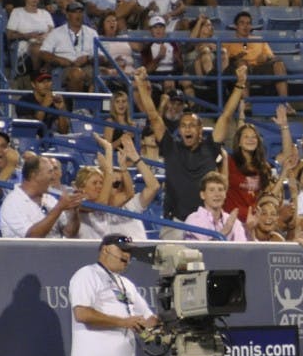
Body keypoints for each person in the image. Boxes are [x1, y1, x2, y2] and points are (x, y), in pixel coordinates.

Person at [132, 65, 238, 235]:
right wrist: (140, 84)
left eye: (192, 126)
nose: (187, 129)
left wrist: (239, 85)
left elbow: (226, 115)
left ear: (200, 130)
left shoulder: (211, 148)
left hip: (206, 223)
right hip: (176, 223)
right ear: (179, 130)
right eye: (183, 126)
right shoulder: (171, 147)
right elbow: (153, 115)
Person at [78, 135, 161, 241]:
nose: (99, 186)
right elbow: (101, 204)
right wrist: (107, 165)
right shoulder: (83, 202)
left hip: (136, 251)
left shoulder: (129, 205)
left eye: (119, 184)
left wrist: (135, 159)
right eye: (111, 183)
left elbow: (152, 187)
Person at [0, 154, 83, 238]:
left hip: (57, 250)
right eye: (50, 172)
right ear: (34, 175)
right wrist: (59, 208)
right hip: (27, 251)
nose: (54, 176)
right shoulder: (13, 203)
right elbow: (32, 237)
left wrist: (74, 212)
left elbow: (69, 233)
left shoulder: (50, 199)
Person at [223, 11, 290, 100]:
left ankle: (285, 103)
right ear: (236, 26)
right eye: (242, 23)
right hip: (239, 70)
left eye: (248, 23)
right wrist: (235, 58)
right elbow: (224, 63)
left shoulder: (259, 40)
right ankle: (246, 103)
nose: (245, 26)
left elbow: (271, 56)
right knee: (242, 64)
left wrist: (266, 58)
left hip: (259, 68)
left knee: (279, 63)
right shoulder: (227, 42)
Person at [38, 0, 99, 92]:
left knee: (101, 75)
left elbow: (101, 56)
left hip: (87, 66)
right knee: (76, 74)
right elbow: (43, 53)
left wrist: (88, 58)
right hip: (64, 68)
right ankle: (76, 105)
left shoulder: (92, 33)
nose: (78, 15)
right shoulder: (56, 32)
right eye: (74, 12)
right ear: (67, 15)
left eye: (80, 12)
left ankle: (93, 105)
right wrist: (58, 59)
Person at [6, 0, 55, 76]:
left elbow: (52, 31)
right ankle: (37, 75)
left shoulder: (45, 13)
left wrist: (44, 37)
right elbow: (9, 35)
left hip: (45, 42)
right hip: (24, 43)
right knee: (36, 48)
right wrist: (26, 35)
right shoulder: (17, 12)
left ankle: (46, 70)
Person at [184, 171, 248, 241]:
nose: (217, 194)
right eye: (211, 190)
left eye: (220, 190)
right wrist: (224, 231)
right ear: (202, 195)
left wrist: (250, 231)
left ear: (225, 195)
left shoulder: (234, 221)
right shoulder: (193, 220)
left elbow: (242, 249)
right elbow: (199, 250)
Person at [16, 70, 72, 135]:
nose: (46, 85)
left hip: (49, 140)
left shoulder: (55, 100)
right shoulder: (24, 102)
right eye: (41, 82)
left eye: (48, 81)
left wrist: (60, 110)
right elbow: (30, 130)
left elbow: (64, 132)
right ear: (33, 84)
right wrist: (44, 106)